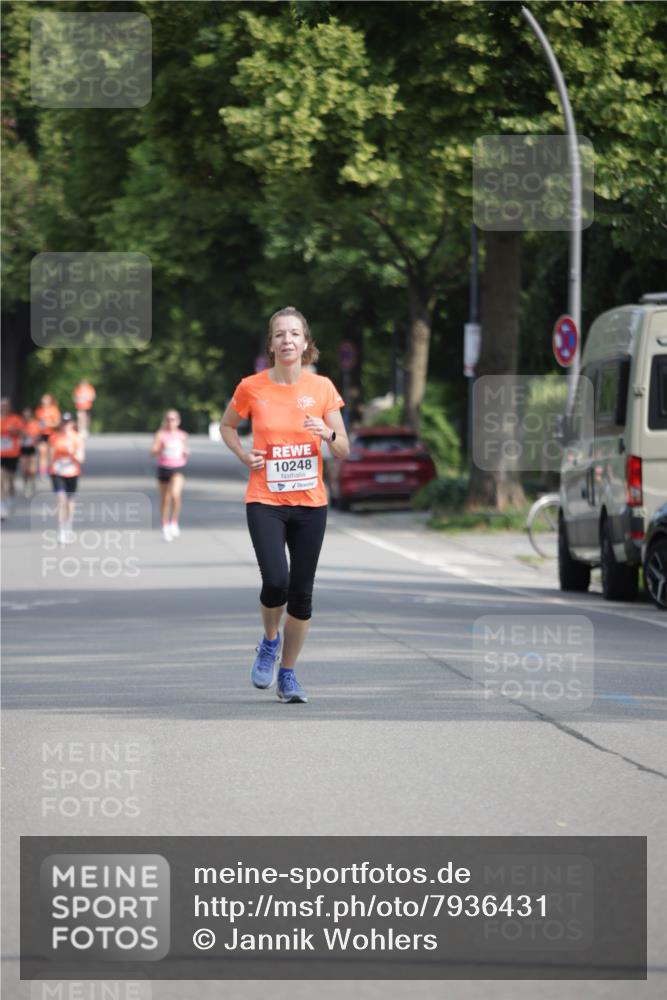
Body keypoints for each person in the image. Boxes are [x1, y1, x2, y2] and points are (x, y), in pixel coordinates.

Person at [220, 306, 349, 704]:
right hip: (265, 499)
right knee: (276, 580)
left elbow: (343, 449)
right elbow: (228, 425)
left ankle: (288, 675)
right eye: (280, 334)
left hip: (311, 505)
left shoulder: (324, 388)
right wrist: (243, 454)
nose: (287, 340)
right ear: (271, 343)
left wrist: (326, 432)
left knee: (303, 594)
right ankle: (269, 642)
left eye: (294, 334)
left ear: (306, 342)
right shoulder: (252, 387)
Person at [150, 409, 190, 541]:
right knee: (165, 498)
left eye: (173, 419)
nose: (170, 421)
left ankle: (174, 521)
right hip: (164, 467)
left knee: (175, 494)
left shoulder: (182, 435)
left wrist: (185, 451)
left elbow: (186, 451)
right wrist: (161, 448)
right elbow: (152, 452)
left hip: (178, 467)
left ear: (178, 421)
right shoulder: (161, 435)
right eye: (168, 419)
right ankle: (165, 524)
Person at [47, 412, 85, 544]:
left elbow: (81, 458)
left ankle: (69, 525)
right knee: (61, 499)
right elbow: (50, 456)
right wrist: (51, 465)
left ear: (72, 424)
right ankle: (61, 529)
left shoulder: (77, 438)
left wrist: (72, 453)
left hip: (72, 472)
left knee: (70, 501)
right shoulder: (54, 437)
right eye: (63, 423)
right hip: (57, 472)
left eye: (68, 423)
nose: (65, 426)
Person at [1, 398, 24, 520]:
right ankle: (2, 506)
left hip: (12, 454)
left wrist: (13, 431)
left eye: (5, 405)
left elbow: (22, 434)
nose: (3, 407)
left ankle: (10, 499)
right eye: (1, 405)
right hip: (1, 455)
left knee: (10, 481)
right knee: (1, 479)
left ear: (9, 407)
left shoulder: (15, 419)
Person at [35, 394, 61, 479]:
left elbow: (57, 423)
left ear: (50, 400)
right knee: (42, 453)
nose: (45, 401)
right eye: (43, 399)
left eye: (47, 399)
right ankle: (43, 472)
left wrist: (49, 424)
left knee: (51, 453)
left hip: (52, 434)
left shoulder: (54, 410)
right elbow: (36, 422)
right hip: (42, 434)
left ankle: (51, 469)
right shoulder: (39, 410)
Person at [19, 406, 41, 498]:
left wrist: (33, 437)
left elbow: (38, 436)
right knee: (24, 470)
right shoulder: (20, 424)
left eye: (28, 415)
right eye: (25, 415)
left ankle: (32, 483)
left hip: (32, 448)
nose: (26, 417)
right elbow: (16, 436)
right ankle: (25, 485)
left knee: (32, 470)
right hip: (23, 449)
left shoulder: (35, 424)